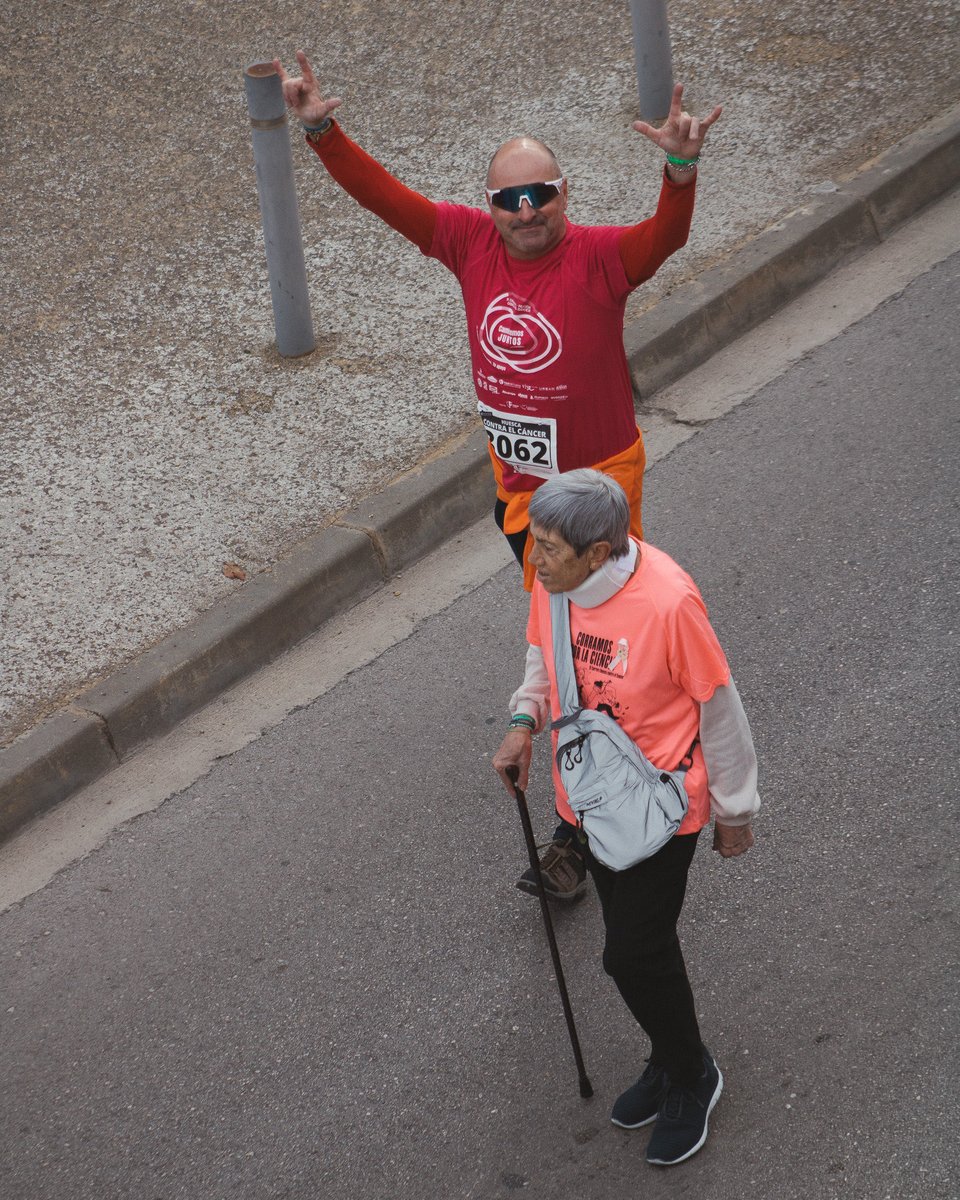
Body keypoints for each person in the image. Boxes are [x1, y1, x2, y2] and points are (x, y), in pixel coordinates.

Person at [275, 49, 722, 897]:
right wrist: (322, 130)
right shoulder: (466, 242)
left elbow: (666, 239)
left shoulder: (597, 258)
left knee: (580, 650)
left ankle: (581, 831)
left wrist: (680, 168)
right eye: (508, 198)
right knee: (567, 647)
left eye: (539, 194)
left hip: (594, 502)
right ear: (491, 207)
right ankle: (584, 798)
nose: (524, 211)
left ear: (565, 196)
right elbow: (385, 198)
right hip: (518, 494)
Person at [492, 469, 759, 1167]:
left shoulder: (668, 604)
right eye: (535, 543)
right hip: (588, 801)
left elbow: (719, 709)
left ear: (601, 552)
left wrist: (735, 810)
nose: (535, 559)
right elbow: (541, 659)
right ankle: (669, 1059)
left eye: (549, 547)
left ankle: (693, 1073)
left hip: (662, 810)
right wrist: (524, 722)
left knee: (630, 953)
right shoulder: (552, 589)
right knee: (641, 949)